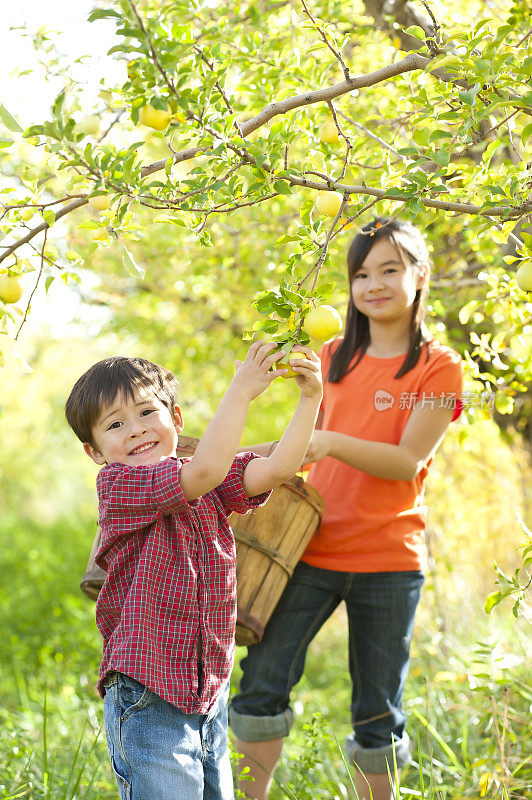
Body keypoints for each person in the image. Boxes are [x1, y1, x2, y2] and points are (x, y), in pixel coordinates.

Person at [229, 218, 464, 800]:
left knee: (378, 708)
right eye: (361, 273)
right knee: (260, 681)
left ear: (420, 276)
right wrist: (223, 460)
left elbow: (408, 461)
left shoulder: (440, 367)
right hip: (308, 550)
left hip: (390, 559)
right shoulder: (330, 356)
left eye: (389, 269)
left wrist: (331, 443)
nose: (373, 284)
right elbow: (300, 447)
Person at [64, 340, 322, 800]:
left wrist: (309, 399)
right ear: (95, 451)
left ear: (176, 419)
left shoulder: (203, 476)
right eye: (116, 424)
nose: (137, 430)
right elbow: (204, 472)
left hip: (207, 693)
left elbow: (280, 467)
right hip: (149, 696)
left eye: (147, 413)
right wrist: (239, 391)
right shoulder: (120, 486)